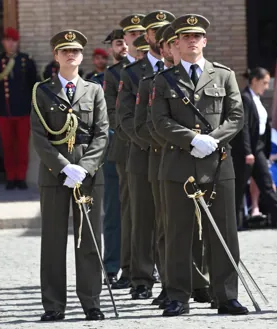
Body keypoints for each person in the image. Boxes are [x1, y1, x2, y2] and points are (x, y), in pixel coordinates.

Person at [152, 14, 248, 316]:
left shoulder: (223, 75)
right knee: (178, 234)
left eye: (197, 36)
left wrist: (214, 139)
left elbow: (236, 116)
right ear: (176, 44)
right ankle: (178, 296)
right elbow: (159, 121)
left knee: (223, 233)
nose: (192, 41)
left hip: (218, 165)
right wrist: (191, 140)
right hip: (179, 164)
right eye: (186, 37)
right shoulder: (164, 79)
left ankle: (226, 296)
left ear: (205, 41)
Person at [31, 29, 108, 322]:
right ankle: (53, 305)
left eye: (75, 51)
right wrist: (64, 167)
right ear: (56, 56)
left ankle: (91, 302)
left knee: (89, 239)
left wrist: (84, 168)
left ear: (82, 55)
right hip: (55, 175)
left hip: (87, 175)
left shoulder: (95, 90)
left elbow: (102, 134)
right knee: (52, 241)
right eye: (65, 51)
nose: (71, 55)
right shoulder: (42, 91)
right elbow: (39, 137)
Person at [138, 23, 211, 308]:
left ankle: (201, 281)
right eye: (168, 44)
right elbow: (143, 124)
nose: (171, 48)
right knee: (170, 227)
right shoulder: (152, 81)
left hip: (203, 158)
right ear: (166, 48)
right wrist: (183, 142)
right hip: (164, 156)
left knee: (200, 225)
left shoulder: (203, 76)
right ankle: (172, 284)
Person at [117, 10, 175, 300]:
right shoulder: (132, 73)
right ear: (147, 37)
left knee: (171, 220)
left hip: (176, 154)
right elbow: (125, 118)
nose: (161, 36)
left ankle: (172, 280)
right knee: (143, 218)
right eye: (156, 31)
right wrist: (155, 140)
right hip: (142, 153)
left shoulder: (178, 69)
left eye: (167, 30)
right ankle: (141, 278)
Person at [105, 14, 145, 291]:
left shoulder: (161, 66)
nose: (135, 39)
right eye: (129, 35)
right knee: (128, 212)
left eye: (139, 34)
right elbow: (114, 115)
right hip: (128, 148)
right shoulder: (115, 73)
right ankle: (129, 269)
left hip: (160, 147)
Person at [231, 67, 277, 227]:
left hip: (259, 148)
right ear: (254, 81)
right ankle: (234, 222)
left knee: (266, 182)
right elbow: (244, 128)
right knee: (239, 187)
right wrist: (247, 152)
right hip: (247, 150)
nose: (266, 86)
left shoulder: (256, 98)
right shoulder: (245, 98)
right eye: (264, 83)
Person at [0, 27, 38, 190]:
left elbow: (33, 84)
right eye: (7, 41)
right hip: (4, 110)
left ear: (17, 43)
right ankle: (10, 177)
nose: (10, 44)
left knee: (22, 145)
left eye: (13, 41)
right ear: (3, 42)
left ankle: (21, 177)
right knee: (7, 146)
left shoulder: (26, 60)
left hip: (22, 110)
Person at [98, 29, 126, 287]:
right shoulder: (101, 79)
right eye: (119, 43)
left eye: (130, 41)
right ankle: (113, 265)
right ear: (111, 49)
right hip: (114, 151)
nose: (125, 46)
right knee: (113, 213)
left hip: (145, 152)